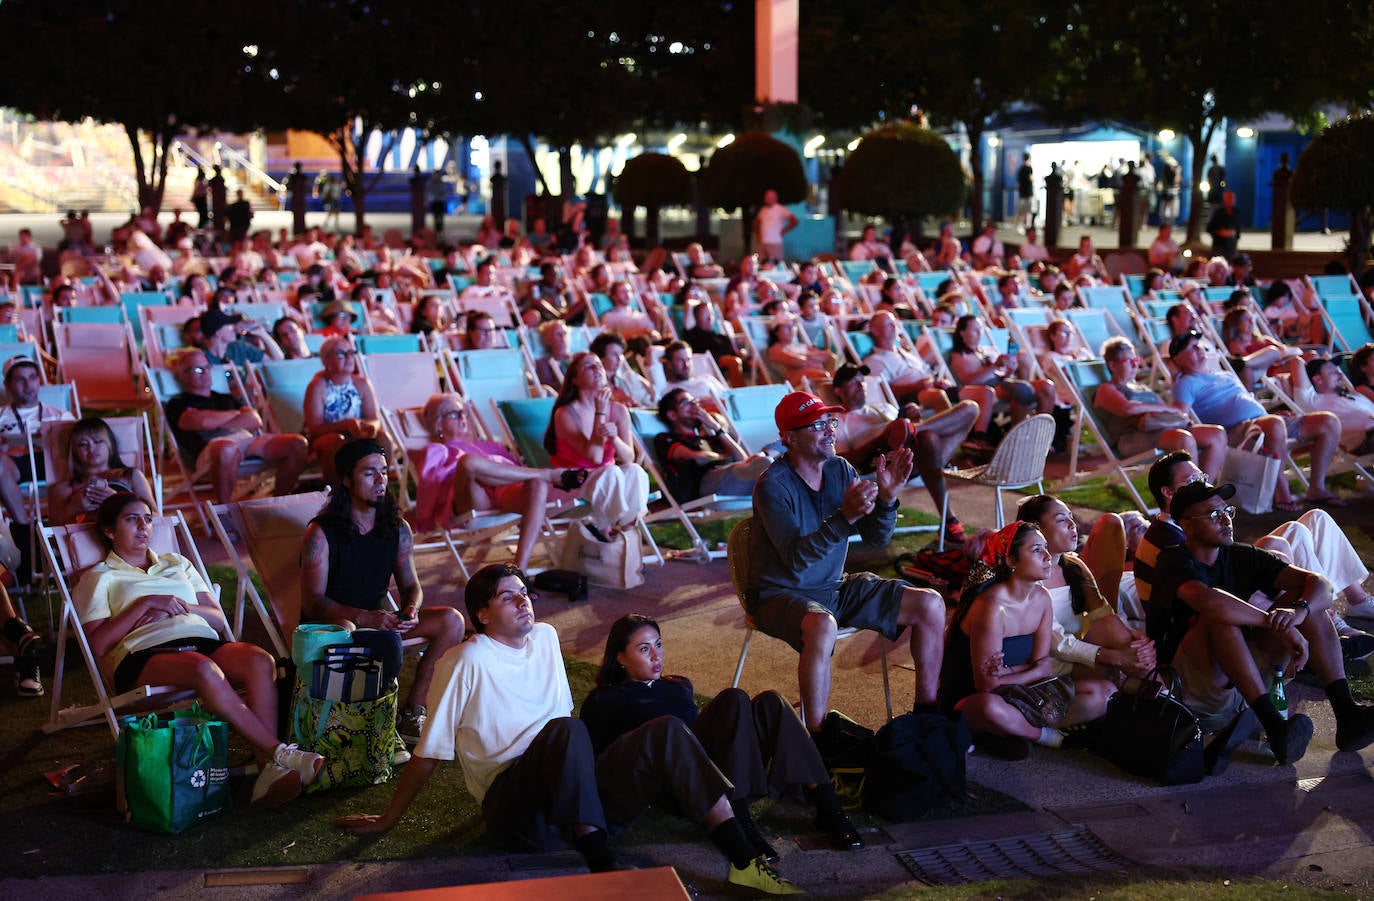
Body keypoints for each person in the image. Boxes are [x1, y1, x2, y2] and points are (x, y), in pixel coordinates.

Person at [335, 565, 802, 894]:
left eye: (524, 592)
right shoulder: (466, 659)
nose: (523, 602)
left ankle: (743, 860)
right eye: (507, 596)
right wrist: (388, 818)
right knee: (565, 729)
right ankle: (603, 868)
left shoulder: (546, 638)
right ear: (481, 614)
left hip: (574, 798)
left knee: (666, 730)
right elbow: (430, 751)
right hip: (518, 811)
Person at [76, 493, 324, 807]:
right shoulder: (99, 577)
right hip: (144, 654)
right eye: (131, 519)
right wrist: (145, 604)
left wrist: (175, 606)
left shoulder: (176, 563)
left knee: (260, 660)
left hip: (202, 639)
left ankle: (268, 773)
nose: (143, 526)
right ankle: (281, 753)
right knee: (204, 668)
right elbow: (97, 644)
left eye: (148, 518)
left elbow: (216, 617)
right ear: (110, 531)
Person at [582, 614, 862, 858]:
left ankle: (829, 809)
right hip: (681, 782)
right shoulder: (606, 699)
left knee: (770, 702)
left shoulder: (678, 686)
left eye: (658, 645)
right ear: (619, 657)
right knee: (733, 698)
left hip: (722, 769)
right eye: (644, 649)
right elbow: (605, 762)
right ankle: (740, 823)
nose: (657, 656)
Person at [748, 391, 943, 736]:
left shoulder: (840, 469)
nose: (830, 431)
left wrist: (886, 499)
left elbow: (875, 538)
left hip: (832, 589)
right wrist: (843, 517)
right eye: (818, 425)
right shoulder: (772, 486)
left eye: (831, 422)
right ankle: (817, 739)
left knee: (929, 603)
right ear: (789, 438)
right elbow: (795, 560)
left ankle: (926, 715)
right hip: (778, 594)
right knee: (822, 625)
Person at [1148, 480, 1374, 763]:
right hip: (1192, 688)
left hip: (1243, 679)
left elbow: (1320, 585)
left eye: (1227, 512)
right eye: (1213, 515)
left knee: (1306, 601)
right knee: (1219, 617)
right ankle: (1275, 727)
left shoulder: (1241, 556)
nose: (1226, 520)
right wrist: (1275, 623)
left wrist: (1298, 613)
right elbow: (1208, 601)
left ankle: (1347, 714)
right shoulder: (1173, 559)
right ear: (1187, 525)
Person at [301, 438, 464, 746]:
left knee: (452, 621)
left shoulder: (397, 528)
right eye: (369, 473)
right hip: (337, 630)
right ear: (347, 479)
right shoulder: (321, 533)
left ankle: (413, 711)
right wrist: (363, 617)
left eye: (384, 472)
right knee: (374, 635)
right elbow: (312, 602)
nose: (380, 480)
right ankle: (372, 721)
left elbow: (411, 586)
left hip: (381, 625)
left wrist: (410, 609)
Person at [938, 521, 1115, 760]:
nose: (1046, 556)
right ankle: (1044, 736)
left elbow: (1044, 667)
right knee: (990, 708)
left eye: (1045, 548)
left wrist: (1009, 671)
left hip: (1024, 695)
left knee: (1105, 692)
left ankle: (1009, 733)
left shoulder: (1041, 598)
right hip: (976, 701)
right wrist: (1029, 670)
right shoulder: (991, 607)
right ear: (1011, 561)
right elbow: (988, 687)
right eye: (1036, 550)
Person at [1168, 328, 1341, 510]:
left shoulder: (1224, 375)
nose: (1199, 350)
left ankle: (1316, 489)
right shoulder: (1184, 383)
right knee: (1274, 425)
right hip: (1237, 431)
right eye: (1192, 348)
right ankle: (1281, 493)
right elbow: (1180, 414)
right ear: (1178, 359)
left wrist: (1268, 415)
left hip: (1263, 421)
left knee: (1328, 422)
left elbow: (1247, 402)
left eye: (1198, 346)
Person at [413, 393, 587, 570]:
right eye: (453, 413)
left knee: (537, 483)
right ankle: (548, 474)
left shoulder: (493, 446)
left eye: (463, 412)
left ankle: (520, 569)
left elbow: (517, 472)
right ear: (438, 424)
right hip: (473, 497)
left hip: (504, 490)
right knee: (468, 462)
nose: (462, 417)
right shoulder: (436, 449)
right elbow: (430, 485)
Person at [1016, 495, 1157, 686]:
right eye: (1060, 520)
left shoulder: (1073, 565)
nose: (1072, 524)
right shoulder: (1028, 580)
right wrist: (1115, 656)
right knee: (1125, 664)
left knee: (1111, 626)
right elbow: (1058, 644)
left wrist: (1134, 639)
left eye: (1070, 517)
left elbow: (1104, 614)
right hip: (1055, 665)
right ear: (1036, 529)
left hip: (1085, 654)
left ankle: (1163, 695)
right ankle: (1164, 696)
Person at [830, 363, 978, 544]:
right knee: (925, 438)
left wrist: (912, 418)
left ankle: (915, 428)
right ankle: (949, 521)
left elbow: (904, 431)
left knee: (970, 408)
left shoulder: (883, 407)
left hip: (914, 454)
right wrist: (883, 436)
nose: (861, 385)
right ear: (838, 390)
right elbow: (843, 459)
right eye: (854, 382)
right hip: (883, 462)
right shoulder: (839, 421)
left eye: (862, 381)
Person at [163, 349, 309, 505]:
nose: (205, 372)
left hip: (248, 441)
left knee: (298, 443)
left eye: (207, 367)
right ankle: (225, 511)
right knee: (226, 448)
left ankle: (279, 503)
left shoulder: (225, 398)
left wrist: (213, 418)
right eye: (198, 369)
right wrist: (236, 414)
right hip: (211, 449)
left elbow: (254, 420)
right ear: (183, 375)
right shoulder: (178, 403)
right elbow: (200, 423)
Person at [543, 352, 650, 541]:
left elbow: (628, 457)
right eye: (588, 366)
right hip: (571, 482)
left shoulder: (618, 410)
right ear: (574, 379)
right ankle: (606, 531)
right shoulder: (565, 414)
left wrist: (615, 438)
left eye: (599, 365)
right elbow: (595, 457)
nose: (597, 369)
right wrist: (600, 412)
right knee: (612, 473)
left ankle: (625, 533)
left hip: (606, 483)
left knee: (635, 471)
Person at [1092, 336, 1226, 478]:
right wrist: (1169, 409)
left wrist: (1176, 415)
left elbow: (1168, 410)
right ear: (1112, 365)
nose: (1134, 365)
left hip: (1161, 429)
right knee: (1183, 439)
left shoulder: (1140, 387)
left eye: (1136, 360)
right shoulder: (1107, 389)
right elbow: (1127, 408)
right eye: (1128, 361)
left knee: (1216, 434)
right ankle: (1192, 493)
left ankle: (1205, 490)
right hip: (1131, 438)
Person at [0, 356, 75, 569]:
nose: (28, 385)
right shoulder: (1, 417)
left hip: (52, 464)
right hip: (15, 466)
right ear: (7, 385)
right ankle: (26, 530)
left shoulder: (60, 414)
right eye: (20, 379)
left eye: (32, 378)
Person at [654, 388, 770, 501]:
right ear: (672, 415)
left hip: (731, 479)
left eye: (694, 401)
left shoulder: (708, 436)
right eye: (687, 403)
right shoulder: (666, 438)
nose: (695, 406)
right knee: (765, 466)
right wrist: (728, 458)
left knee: (768, 466)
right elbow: (699, 457)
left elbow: (741, 458)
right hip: (704, 482)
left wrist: (716, 428)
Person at [46, 417, 157, 526]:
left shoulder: (131, 477)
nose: (91, 448)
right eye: (83, 444)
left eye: (98, 441)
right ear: (74, 452)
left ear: (110, 445)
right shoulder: (64, 489)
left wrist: (118, 502)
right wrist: (73, 508)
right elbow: (52, 532)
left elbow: (157, 517)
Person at [947, 315, 1056, 425]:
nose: (980, 333)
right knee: (1022, 390)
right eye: (975, 330)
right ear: (962, 333)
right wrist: (994, 366)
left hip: (1003, 383)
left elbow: (1002, 375)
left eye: (980, 329)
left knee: (1047, 386)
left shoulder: (985, 350)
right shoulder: (960, 355)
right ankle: (1017, 433)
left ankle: (1042, 432)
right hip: (987, 389)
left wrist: (1010, 370)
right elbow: (969, 382)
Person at [303, 336, 382, 484]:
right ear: (326, 360)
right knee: (336, 441)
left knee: (384, 439)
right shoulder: (318, 386)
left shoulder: (362, 384)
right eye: (341, 353)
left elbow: (374, 418)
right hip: (326, 438)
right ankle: (337, 495)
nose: (348, 357)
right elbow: (314, 429)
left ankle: (378, 489)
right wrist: (345, 425)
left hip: (357, 433)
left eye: (350, 353)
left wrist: (371, 427)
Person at [1290, 356, 1374, 454]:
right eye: (1333, 372)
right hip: (1365, 440)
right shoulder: (1312, 400)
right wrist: (1314, 361)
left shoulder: (1355, 396)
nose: (1340, 374)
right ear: (1318, 379)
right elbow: (1296, 361)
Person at [1220, 306, 1301, 388]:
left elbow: (1292, 351)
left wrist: (1281, 357)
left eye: (1251, 318)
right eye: (1246, 319)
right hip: (1261, 374)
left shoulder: (1265, 340)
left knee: (1305, 357)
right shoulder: (1235, 345)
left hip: (1279, 368)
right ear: (1236, 323)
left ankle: (1245, 362)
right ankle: (1245, 362)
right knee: (1273, 351)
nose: (1251, 321)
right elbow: (1243, 370)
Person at [589, 332, 654, 409]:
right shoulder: (593, 381)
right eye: (614, 354)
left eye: (620, 354)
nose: (619, 358)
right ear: (601, 357)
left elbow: (650, 402)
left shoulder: (629, 377)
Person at [765, 316, 835, 385]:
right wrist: (813, 359)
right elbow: (797, 362)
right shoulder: (775, 349)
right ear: (776, 331)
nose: (790, 329)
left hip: (811, 378)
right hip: (793, 383)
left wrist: (807, 358)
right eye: (786, 326)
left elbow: (827, 355)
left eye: (792, 326)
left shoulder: (800, 346)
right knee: (826, 377)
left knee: (837, 375)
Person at [657, 340, 728, 403]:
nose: (686, 365)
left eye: (688, 359)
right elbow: (652, 352)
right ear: (669, 364)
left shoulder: (707, 378)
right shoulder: (668, 390)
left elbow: (730, 396)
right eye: (680, 360)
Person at [753, 189, 798, 263]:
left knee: (776, 263)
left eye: (770, 196)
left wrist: (784, 231)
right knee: (761, 263)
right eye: (767, 196)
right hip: (763, 243)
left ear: (775, 198)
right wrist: (758, 235)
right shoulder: (763, 210)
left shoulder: (781, 209)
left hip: (775, 242)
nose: (767, 198)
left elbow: (794, 221)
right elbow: (757, 223)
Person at [1206, 191, 1241, 260]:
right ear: (1224, 199)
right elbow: (1209, 228)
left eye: (1232, 198)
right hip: (1219, 246)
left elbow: (1238, 228)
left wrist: (1235, 235)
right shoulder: (1218, 213)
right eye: (1229, 198)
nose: (1231, 200)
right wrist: (1220, 232)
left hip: (1232, 247)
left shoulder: (1236, 212)